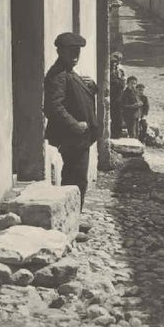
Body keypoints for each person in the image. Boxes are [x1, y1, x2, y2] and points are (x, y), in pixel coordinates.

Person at [44, 32, 97, 208]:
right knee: (74, 179)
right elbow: (54, 107)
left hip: (79, 137)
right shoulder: (58, 74)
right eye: (71, 51)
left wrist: (91, 87)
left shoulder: (68, 71)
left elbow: (76, 96)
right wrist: (75, 125)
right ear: (60, 52)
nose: (75, 56)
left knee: (78, 178)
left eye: (77, 51)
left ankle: (74, 217)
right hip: (71, 137)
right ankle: (70, 219)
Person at [109, 52, 125, 138]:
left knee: (117, 114)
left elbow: (123, 81)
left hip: (118, 93)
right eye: (113, 61)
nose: (115, 63)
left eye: (117, 61)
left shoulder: (120, 70)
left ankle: (117, 133)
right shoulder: (108, 69)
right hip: (110, 93)